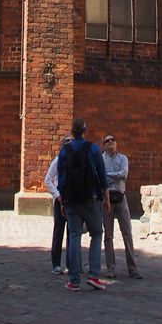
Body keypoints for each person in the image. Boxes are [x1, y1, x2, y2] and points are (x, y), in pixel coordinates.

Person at [57, 117, 108, 292]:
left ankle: (74, 280)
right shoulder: (93, 148)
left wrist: (62, 200)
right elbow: (102, 174)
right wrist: (106, 197)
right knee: (97, 233)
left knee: (74, 236)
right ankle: (93, 275)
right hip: (91, 199)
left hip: (71, 199)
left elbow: (61, 178)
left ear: (72, 132)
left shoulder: (65, 150)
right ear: (85, 131)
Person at [101, 134, 142, 279]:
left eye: (113, 140)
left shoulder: (123, 158)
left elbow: (124, 174)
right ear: (104, 145)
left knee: (127, 233)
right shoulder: (101, 159)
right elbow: (100, 177)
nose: (110, 142)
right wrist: (112, 176)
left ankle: (132, 268)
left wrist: (107, 175)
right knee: (108, 235)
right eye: (107, 141)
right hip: (106, 199)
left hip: (120, 197)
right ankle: (111, 268)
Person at [44, 136, 70, 274]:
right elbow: (48, 180)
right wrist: (57, 195)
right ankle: (56, 264)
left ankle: (71, 263)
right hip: (60, 200)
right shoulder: (58, 160)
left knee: (72, 233)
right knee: (58, 232)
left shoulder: (76, 160)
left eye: (71, 141)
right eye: (67, 141)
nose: (69, 143)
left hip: (72, 201)